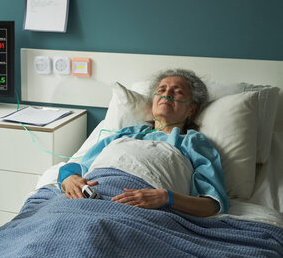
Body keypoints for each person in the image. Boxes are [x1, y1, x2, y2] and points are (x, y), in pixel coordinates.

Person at [60, 69, 228, 217]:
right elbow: (79, 169)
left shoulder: (193, 142)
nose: (166, 94)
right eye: (162, 89)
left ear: (192, 109)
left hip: (140, 209)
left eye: (177, 92)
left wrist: (165, 197)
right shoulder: (126, 134)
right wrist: (69, 180)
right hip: (89, 197)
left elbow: (212, 204)